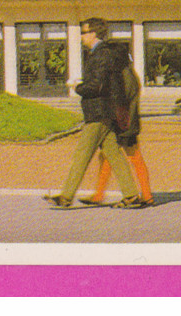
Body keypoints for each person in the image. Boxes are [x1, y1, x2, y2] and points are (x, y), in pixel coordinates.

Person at [44, 18, 142, 209]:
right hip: (107, 111)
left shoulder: (100, 55)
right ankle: (131, 196)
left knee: (82, 153)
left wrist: (77, 87)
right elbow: (103, 80)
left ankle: (65, 197)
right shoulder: (102, 54)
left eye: (84, 32)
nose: (81, 36)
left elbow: (97, 85)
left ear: (93, 33)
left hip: (99, 111)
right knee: (113, 154)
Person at [80, 40, 154, 207]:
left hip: (124, 122)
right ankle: (99, 195)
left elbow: (122, 100)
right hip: (125, 121)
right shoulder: (126, 72)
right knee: (107, 156)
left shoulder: (123, 75)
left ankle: (147, 195)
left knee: (133, 157)